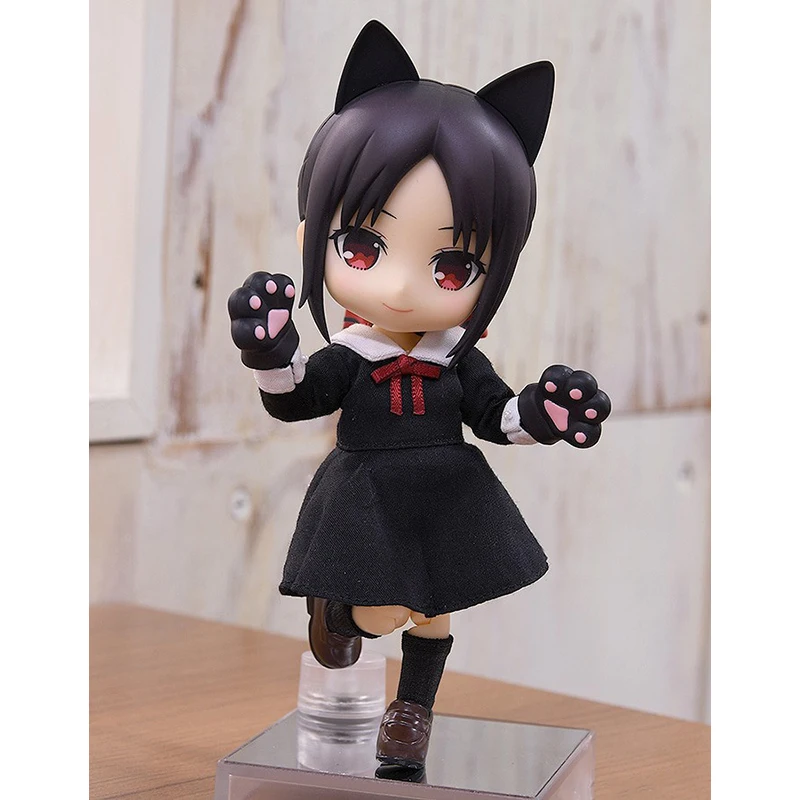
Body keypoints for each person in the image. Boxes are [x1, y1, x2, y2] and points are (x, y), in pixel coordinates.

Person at [228, 20, 611, 779]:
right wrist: (270, 352)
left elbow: (497, 416)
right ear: (313, 237)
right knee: (386, 607)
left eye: (452, 267)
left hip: (445, 491)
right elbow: (296, 397)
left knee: (435, 606)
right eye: (363, 248)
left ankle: (412, 712)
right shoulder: (352, 355)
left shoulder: (456, 360)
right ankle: (342, 612)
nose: (402, 287)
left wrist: (544, 415)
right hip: (366, 495)